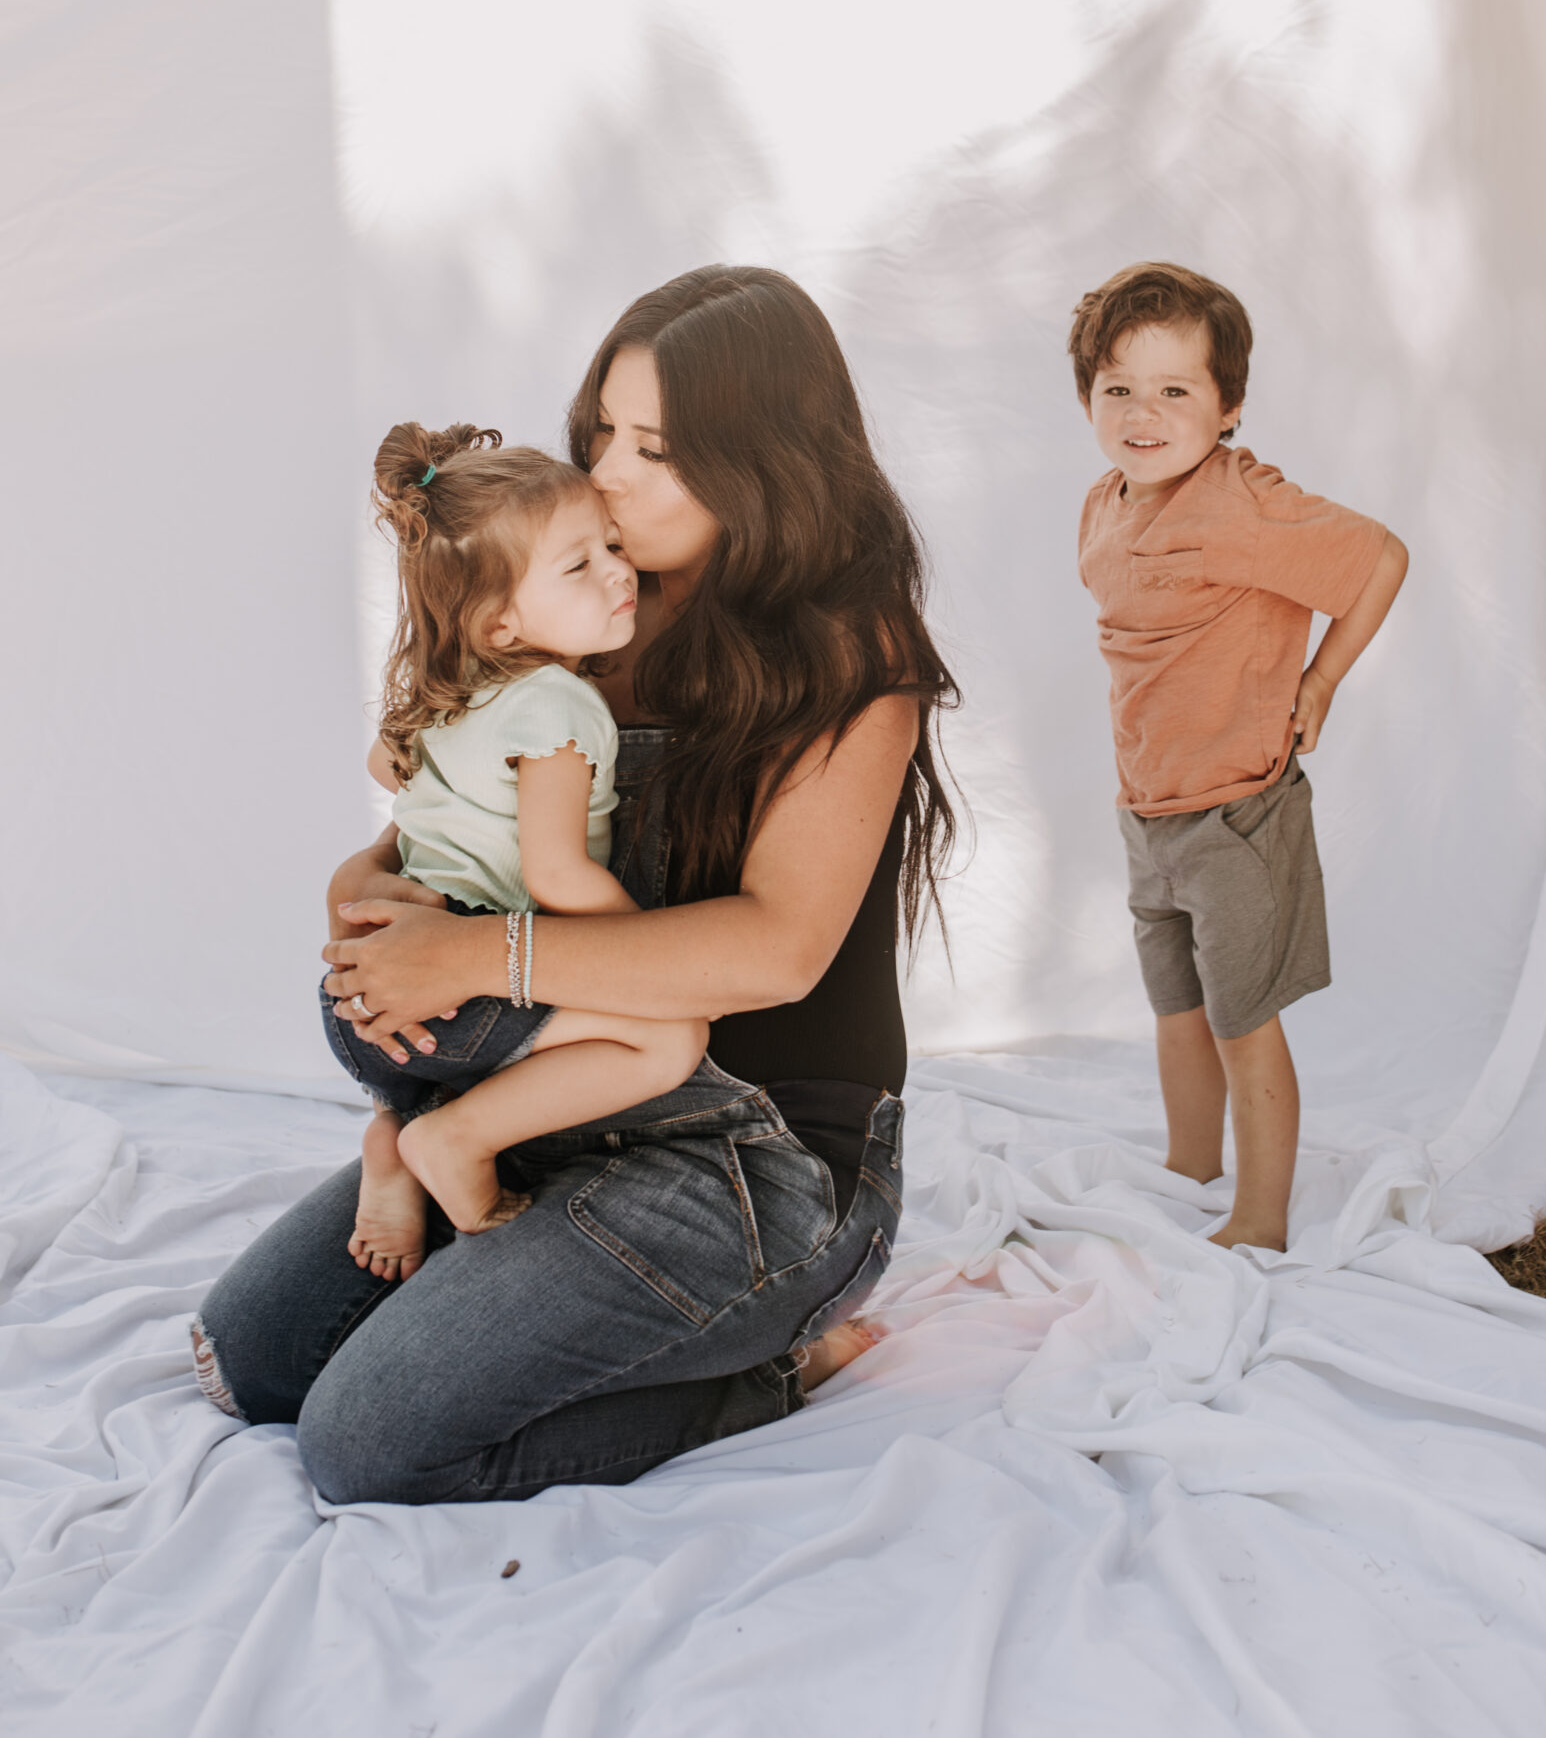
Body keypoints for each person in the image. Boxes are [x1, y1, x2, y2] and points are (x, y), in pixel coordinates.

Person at [191, 265, 956, 1501]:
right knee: (254, 1361)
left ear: (766, 463)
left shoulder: (854, 655)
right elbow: (460, 824)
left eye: (655, 447)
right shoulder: (577, 605)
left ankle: (777, 1361)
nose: (605, 469)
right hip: (555, 1094)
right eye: (602, 426)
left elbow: (778, 949)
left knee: (364, 1445)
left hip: (758, 1156)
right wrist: (380, 887)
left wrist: (475, 958)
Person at [1071, 261, 1407, 1252]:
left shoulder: (1242, 504)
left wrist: (1322, 679)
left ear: (1228, 408)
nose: (1144, 411)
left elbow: (1380, 558)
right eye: (1118, 387)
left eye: (1176, 389)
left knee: (1241, 1018)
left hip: (1236, 815)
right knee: (1177, 1003)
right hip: (1149, 809)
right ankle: (1189, 1169)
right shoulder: (1106, 501)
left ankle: (1259, 1220)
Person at [328, 423, 708, 1278]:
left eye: (610, 546)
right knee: (669, 1035)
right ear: (501, 625)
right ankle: (453, 1140)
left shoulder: (446, 693)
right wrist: (643, 951)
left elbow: (383, 766)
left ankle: (392, 1137)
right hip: (450, 994)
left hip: (375, 1007)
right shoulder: (558, 705)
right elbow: (555, 873)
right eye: (578, 566)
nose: (619, 571)